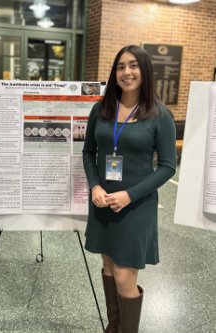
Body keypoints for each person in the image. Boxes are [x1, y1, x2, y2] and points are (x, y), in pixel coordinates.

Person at [82, 45, 176, 333]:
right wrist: (94, 185)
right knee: (109, 267)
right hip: (103, 203)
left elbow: (168, 167)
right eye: (121, 66)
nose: (127, 72)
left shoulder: (159, 115)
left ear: (144, 71)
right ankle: (114, 327)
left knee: (124, 276)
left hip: (136, 205)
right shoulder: (101, 109)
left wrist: (129, 195)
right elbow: (88, 152)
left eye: (133, 65)